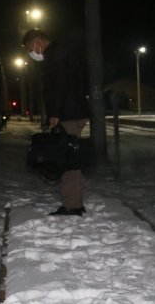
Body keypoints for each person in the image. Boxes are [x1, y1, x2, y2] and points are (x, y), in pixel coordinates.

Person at [22, 28, 91, 216]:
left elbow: (59, 86)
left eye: (30, 48)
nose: (31, 53)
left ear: (37, 42)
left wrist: (55, 113)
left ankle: (72, 205)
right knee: (70, 157)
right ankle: (74, 202)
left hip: (68, 113)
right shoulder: (64, 52)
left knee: (67, 158)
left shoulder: (55, 55)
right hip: (73, 110)